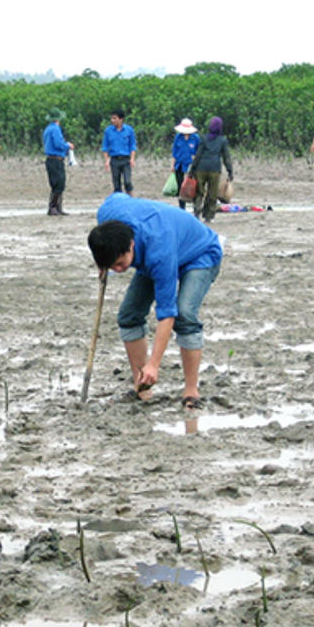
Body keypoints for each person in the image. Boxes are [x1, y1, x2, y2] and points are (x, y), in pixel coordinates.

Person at [88, 193, 222, 409]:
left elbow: (167, 314)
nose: (118, 270)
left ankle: (191, 391)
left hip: (200, 254)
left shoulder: (159, 253)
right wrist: (103, 264)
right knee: (129, 315)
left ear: (131, 245)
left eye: (120, 264)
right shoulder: (108, 215)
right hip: (161, 246)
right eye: (112, 266)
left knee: (184, 314)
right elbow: (116, 197)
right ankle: (142, 386)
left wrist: (154, 364)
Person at [188, 116, 234, 222]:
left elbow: (198, 155)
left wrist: (192, 169)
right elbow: (226, 157)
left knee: (199, 192)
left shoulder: (203, 138)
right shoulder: (222, 140)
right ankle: (209, 216)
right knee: (212, 193)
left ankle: (197, 212)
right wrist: (230, 171)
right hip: (214, 169)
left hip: (201, 168)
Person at [42, 108, 73, 215]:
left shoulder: (48, 129)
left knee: (56, 184)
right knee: (59, 184)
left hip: (51, 159)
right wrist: (68, 145)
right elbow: (58, 144)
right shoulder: (55, 129)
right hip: (56, 160)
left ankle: (57, 207)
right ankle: (53, 207)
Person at [102, 109, 137, 194]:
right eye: (112, 118)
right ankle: (118, 200)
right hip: (114, 160)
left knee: (127, 182)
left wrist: (132, 158)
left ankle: (130, 199)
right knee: (116, 184)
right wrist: (106, 160)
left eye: (115, 118)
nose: (112, 120)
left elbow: (132, 145)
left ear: (121, 119)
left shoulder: (129, 130)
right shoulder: (108, 131)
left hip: (125, 159)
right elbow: (105, 147)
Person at [171, 118, 200, 211]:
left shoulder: (196, 138)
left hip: (191, 165)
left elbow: (199, 152)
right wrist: (172, 165)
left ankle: (195, 206)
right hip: (179, 164)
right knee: (180, 186)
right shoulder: (178, 137)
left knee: (193, 185)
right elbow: (174, 152)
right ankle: (182, 207)